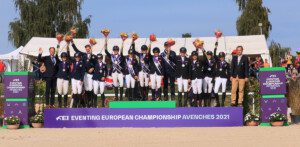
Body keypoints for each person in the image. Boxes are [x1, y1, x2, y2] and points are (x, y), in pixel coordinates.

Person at [72, 41, 97, 107]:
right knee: (86, 89)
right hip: (85, 74)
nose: (87, 49)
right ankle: (87, 103)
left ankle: (91, 102)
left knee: (91, 88)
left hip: (91, 74)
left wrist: (93, 68)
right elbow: (76, 50)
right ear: (85, 49)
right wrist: (72, 42)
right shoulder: (83, 55)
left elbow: (96, 64)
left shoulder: (94, 56)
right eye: (86, 48)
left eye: (88, 48)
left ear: (90, 49)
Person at [213, 42, 230, 107]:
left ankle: (222, 103)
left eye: (222, 57)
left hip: (224, 78)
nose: (221, 58)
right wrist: (215, 47)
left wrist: (228, 80)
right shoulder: (217, 61)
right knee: (215, 90)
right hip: (218, 77)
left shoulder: (227, 64)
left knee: (223, 90)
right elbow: (214, 55)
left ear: (224, 57)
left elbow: (228, 72)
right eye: (220, 57)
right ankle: (218, 102)